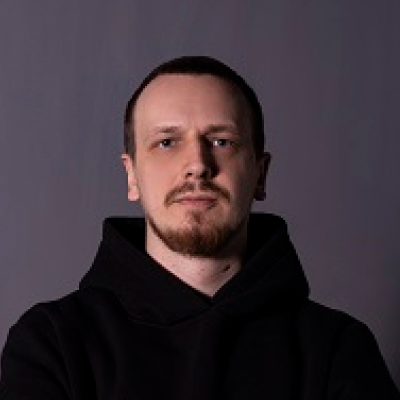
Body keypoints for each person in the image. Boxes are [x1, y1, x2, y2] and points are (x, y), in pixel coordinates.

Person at [0, 55, 398, 400]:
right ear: (131, 175)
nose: (197, 165)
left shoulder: (337, 348)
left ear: (260, 174)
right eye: (167, 142)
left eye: (222, 141)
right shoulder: (52, 343)